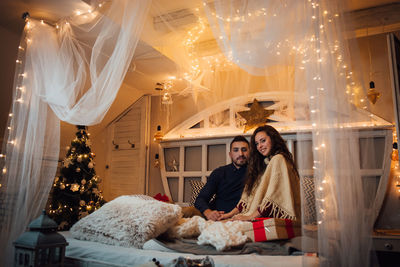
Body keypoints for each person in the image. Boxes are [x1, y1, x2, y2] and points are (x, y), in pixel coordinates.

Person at [220, 125, 301, 221]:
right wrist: (228, 215)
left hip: (276, 219)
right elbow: (246, 199)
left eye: (263, 141)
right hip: (262, 216)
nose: (260, 146)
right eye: (257, 143)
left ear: (273, 139)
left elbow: (273, 199)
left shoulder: (278, 159)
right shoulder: (265, 165)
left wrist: (249, 217)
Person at [194, 136, 250, 221]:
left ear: (249, 152)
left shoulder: (255, 173)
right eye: (236, 150)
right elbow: (201, 199)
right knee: (186, 212)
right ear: (230, 154)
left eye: (244, 150)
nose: (240, 154)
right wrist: (208, 212)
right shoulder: (219, 172)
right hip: (215, 216)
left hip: (238, 218)